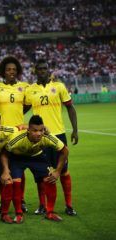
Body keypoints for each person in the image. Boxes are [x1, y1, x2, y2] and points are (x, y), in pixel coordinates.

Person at [25, 59, 78, 216]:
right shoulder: (30, 90)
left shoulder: (59, 86)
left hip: (58, 134)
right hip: (38, 138)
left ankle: (69, 205)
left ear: (49, 70)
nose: (42, 71)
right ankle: (43, 205)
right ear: (35, 71)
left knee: (63, 171)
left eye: (44, 68)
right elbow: (21, 110)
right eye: (39, 69)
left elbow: (70, 108)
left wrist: (75, 130)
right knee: (42, 174)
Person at [0, 115, 69, 223]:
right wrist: (5, 169)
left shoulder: (47, 137)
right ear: (28, 130)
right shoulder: (17, 139)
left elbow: (65, 151)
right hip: (18, 158)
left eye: (41, 130)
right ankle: (18, 213)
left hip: (37, 157)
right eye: (35, 131)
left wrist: (58, 171)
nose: (39, 133)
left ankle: (50, 212)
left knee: (49, 179)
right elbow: (4, 154)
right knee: (16, 182)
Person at [0, 56, 30, 216]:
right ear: (3, 72)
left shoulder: (24, 87)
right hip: (2, 134)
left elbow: (27, 106)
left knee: (19, 169)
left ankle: (21, 200)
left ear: (17, 71)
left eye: (14, 69)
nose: (11, 72)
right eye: (8, 69)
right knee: (2, 171)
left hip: (19, 134)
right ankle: (3, 201)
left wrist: (18, 117)